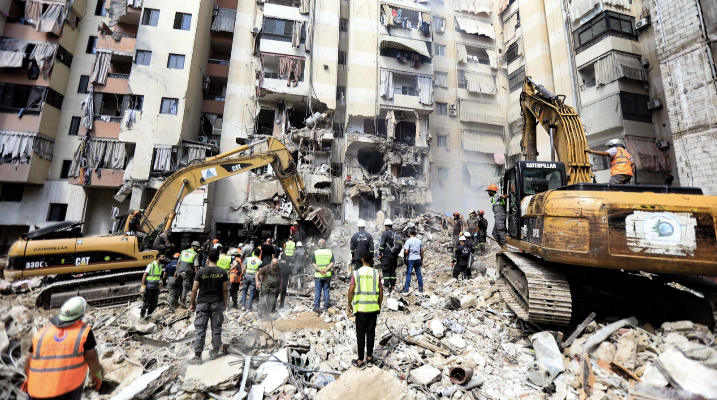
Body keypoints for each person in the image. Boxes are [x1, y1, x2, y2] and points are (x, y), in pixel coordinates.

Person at [23, 297, 103, 400]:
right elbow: (91, 357)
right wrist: (97, 375)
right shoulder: (83, 332)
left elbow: (29, 359)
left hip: (36, 390)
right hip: (65, 391)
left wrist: (29, 379)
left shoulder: (43, 332)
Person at [189, 249, 228, 365]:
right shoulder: (222, 272)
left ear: (208, 258)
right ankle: (215, 351)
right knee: (216, 328)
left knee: (200, 329)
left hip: (202, 303)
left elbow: (194, 289)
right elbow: (225, 290)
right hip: (217, 303)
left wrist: (192, 303)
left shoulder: (201, 271)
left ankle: (197, 356)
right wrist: (225, 303)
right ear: (218, 259)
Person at [347, 251, 383, 370]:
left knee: (361, 334)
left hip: (360, 309)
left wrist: (349, 305)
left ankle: (360, 360)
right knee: (371, 333)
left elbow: (351, 290)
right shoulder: (376, 273)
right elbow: (381, 291)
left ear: (362, 260)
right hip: (373, 308)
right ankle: (370, 358)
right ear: (372, 260)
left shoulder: (356, 273)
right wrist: (379, 305)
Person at [140, 254, 166, 320]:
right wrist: (143, 286)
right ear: (158, 258)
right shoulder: (151, 265)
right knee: (146, 302)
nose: (164, 258)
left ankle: (149, 316)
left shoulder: (160, 266)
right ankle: (142, 317)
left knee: (154, 302)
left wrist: (159, 286)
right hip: (149, 287)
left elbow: (158, 277)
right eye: (162, 257)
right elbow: (144, 275)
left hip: (155, 287)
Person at [312, 239, 334, 313]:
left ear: (318, 245)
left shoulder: (315, 252)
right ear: (325, 245)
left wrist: (320, 270)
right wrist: (326, 269)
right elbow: (332, 262)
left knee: (318, 290)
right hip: (327, 274)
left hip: (318, 275)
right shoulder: (329, 252)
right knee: (326, 290)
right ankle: (326, 307)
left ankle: (316, 307)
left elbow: (313, 263)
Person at [487, 184, 510, 252]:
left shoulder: (497, 195)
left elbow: (504, 196)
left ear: (492, 191)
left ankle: (504, 247)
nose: (488, 193)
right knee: (494, 233)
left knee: (500, 230)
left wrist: (511, 194)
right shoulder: (494, 197)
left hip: (500, 214)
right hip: (497, 215)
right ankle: (502, 246)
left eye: (489, 191)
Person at [177, 241, 201, 306]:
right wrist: (197, 275)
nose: (198, 249)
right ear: (195, 247)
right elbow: (196, 266)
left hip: (179, 271)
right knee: (185, 287)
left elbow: (178, 262)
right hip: (186, 273)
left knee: (179, 286)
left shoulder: (183, 251)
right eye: (197, 247)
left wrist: (176, 271)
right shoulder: (195, 254)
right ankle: (182, 302)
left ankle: (177, 301)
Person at [401, 228, 424, 293]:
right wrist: (421, 260)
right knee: (419, 274)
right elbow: (422, 252)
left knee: (409, 274)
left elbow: (406, 252)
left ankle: (406, 289)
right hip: (418, 259)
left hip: (411, 259)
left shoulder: (408, 241)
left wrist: (405, 259)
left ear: (409, 233)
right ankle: (421, 289)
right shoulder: (419, 241)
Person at [378, 219, 398, 293]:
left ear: (386, 226)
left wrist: (380, 254)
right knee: (392, 271)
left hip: (387, 255)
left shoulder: (385, 233)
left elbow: (382, 245)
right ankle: (393, 286)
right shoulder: (395, 233)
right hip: (394, 255)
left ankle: (386, 287)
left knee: (386, 270)